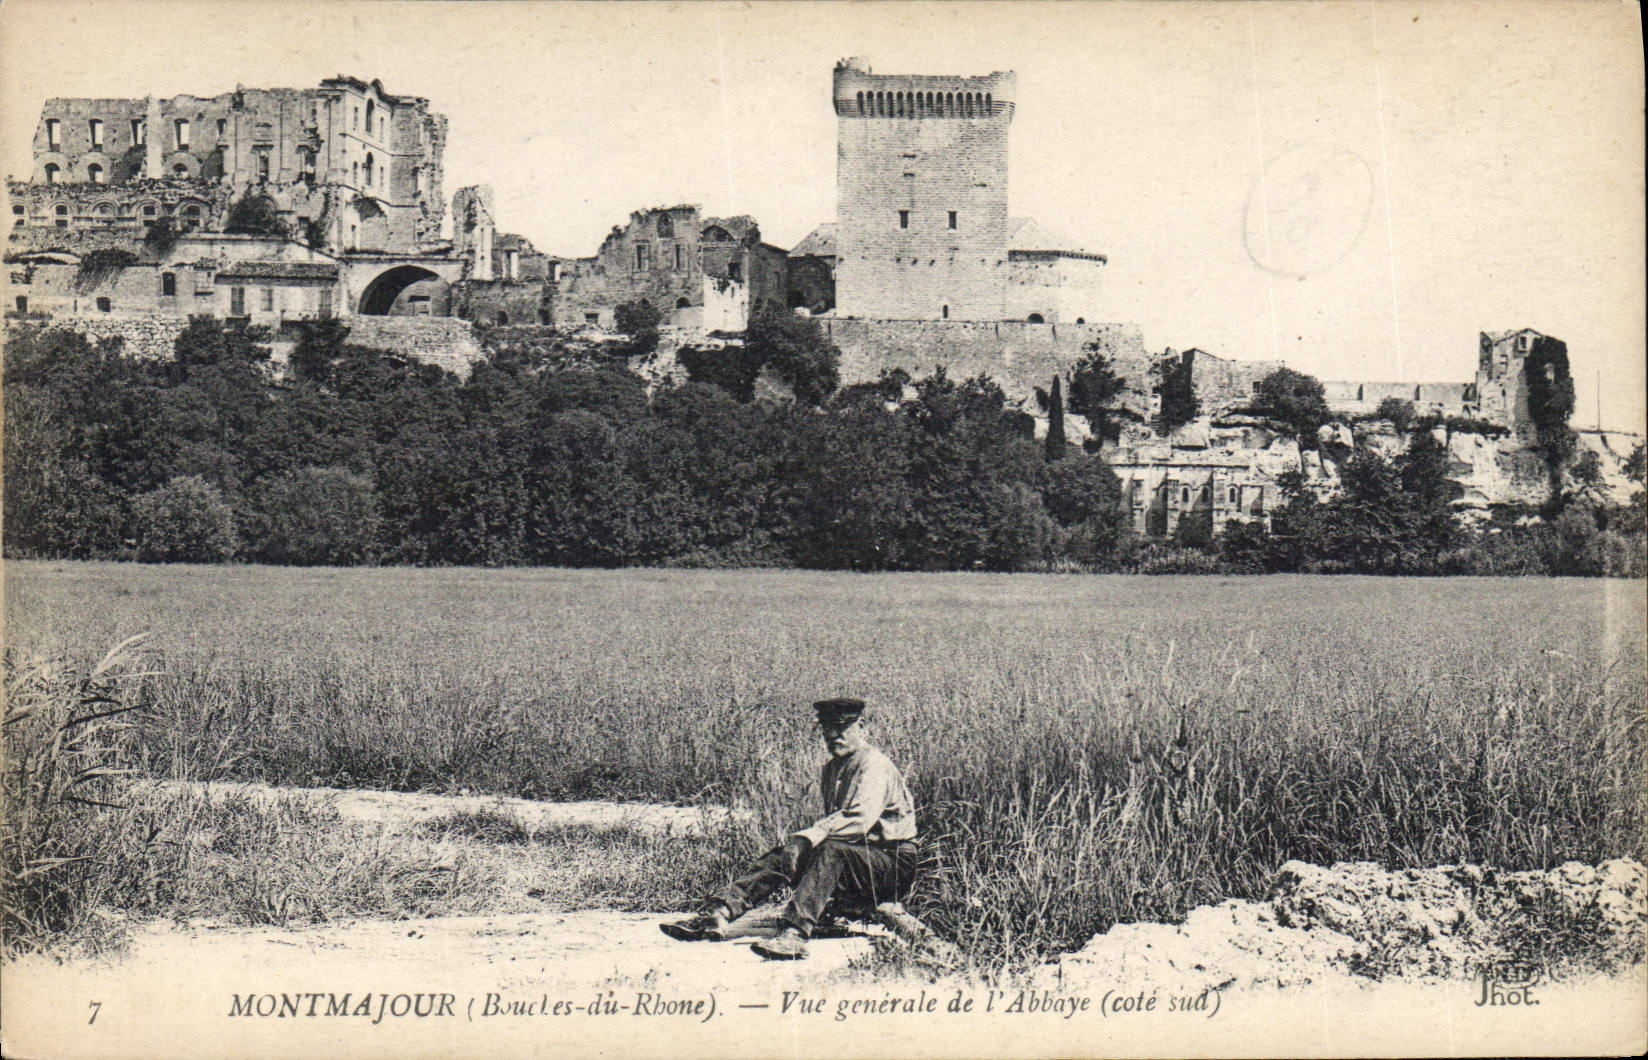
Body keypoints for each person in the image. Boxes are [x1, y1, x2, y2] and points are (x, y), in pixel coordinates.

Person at [660, 697, 920, 960]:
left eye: (841, 727)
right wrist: (799, 848)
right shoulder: (833, 769)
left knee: (830, 851)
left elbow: (858, 821)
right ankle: (718, 913)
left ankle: (795, 934)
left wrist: (807, 839)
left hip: (891, 864)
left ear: (861, 727)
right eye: (827, 728)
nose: (833, 735)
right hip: (858, 862)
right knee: (784, 855)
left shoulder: (874, 765)